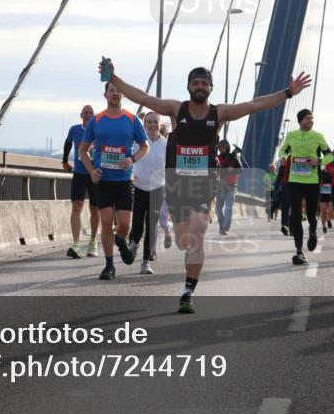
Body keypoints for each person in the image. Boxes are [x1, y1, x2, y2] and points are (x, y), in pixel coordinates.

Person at [102, 62, 311, 313]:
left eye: (204, 83)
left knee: (198, 234)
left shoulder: (219, 113)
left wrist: (288, 93)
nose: (199, 87)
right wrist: (114, 77)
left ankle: (188, 292)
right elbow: (143, 97)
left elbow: (254, 104)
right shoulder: (176, 109)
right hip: (177, 185)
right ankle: (188, 259)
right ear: (189, 87)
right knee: (184, 241)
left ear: (210, 88)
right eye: (195, 83)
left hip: (205, 185)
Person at [79, 82, 150, 281]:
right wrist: (91, 170)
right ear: (105, 95)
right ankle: (109, 265)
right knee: (107, 221)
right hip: (103, 179)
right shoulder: (96, 120)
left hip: (124, 180)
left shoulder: (132, 119)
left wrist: (133, 159)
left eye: (119, 90)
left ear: (123, 95)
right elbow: (83, 150)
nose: (115, 93)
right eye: (112, 90)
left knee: (125, 225)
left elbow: (145, 146)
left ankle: (120, 239)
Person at [280, 109, 334, 264]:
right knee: (296, 215)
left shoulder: (318, 136)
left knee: (311, 214)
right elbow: (283, 150)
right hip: (295, 181)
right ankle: (299, 251)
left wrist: (319, 160)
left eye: (312, 118)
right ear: (300, 121)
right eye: (307, 118)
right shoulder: (291, 136)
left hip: (312, 182)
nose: (311, 121)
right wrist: (283, 157)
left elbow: (330, 156)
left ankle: (312, 231)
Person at [130, 112, 167, 274]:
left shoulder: (166, 144)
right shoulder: (137, 142)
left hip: (158, 188)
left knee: (152, 225)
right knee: (137, 224)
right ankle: (134, 243)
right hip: (139, 186)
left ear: (160, 124)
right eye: (149, 122)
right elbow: (129, 158)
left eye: (155, 122)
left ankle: (145, 262)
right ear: (144, 125)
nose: (152, 125)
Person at [62, 104, 100, 258]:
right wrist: (65, 161)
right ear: (81, 115)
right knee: (76, 206)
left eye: (91, 113)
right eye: (86, 112)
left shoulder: (99, 130)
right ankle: (76, 244)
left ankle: (93, 241)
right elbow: (68, 143)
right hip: (79, 173)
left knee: (94, 208)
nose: (88, 115)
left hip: (95, 174)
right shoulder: (74, 129)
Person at [215, 140, 242, 235]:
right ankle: (222, 224)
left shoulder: (234, 157)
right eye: (219, 147)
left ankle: (225, 228)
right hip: (220, 187)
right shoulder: (217, 158)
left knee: (228, 209)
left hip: (231, 186)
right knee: (218, 209)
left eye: (222, 147)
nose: (220, 149)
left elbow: (241, 170)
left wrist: (231, 170)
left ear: (226, 147)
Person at [276, 157, 292, 236]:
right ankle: (291, 228)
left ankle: (284, 225)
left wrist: (276, 189)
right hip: (296, 188)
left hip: (285, 188)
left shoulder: (285, 162)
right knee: (294, 208)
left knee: (285, 208)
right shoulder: (302, 160)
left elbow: (279, 177)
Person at [319, 165, 334, 233]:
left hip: (330, 193)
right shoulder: (320, 172)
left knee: (331, 210)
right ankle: (324, 226)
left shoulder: (332, 171)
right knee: (323, 211)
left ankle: (328, 219)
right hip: (322, 194)